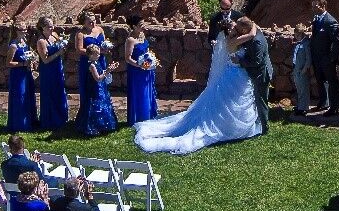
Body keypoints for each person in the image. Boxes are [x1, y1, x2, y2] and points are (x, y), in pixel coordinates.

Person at [134, 13, 264, 154]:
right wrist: (253, 25)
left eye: (235, 27)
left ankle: (231, 125)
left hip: (237, 74)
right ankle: (227, 127)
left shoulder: (234, 38)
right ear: (229, 31)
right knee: (229, 101)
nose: (235, 29)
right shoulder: (232, 41)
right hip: (235, 74)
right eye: (233, 28)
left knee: (230, 101)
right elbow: (251, 34)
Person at [75, 15, 120, 137]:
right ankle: (89, 120)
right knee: (91, 90)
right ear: (83, 22)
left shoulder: (100, 30)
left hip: (100, 61)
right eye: (89, 21)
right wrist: (95, 51)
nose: (92, 23)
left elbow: (104, 43)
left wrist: (105, 49)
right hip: (88, 62)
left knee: (102, 90)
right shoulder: (80, 34)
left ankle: (104, 119)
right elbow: (79, 49)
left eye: (94, 21)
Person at [308, 0, 339, 116]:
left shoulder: (330, 21)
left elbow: (336, 42)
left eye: (315, 6)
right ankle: (323, 102)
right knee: (320, 80)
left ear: (323, 6)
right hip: (317, 57)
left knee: (332, 82)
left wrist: (332, 57)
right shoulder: (316, 19)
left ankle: (334, 107)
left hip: (327, 58)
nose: (313, 8)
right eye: (312, 6)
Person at [36, 18, 71, 131]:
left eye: (52, 26)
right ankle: (50, 120)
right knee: (49, 93)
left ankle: (61, 117)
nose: (52, 28)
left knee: (59, 91)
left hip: (57, 68)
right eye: (49, 27)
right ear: (42, 28)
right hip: (48, 71)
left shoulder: (55, 36)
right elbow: (45, 60)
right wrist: (58, 53)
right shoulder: (41, 41)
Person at [124, 15, 159, 125]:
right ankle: (138, 117)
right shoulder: (130, 40)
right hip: (136, 71)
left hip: (147, 69)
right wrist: (140, 66)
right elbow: (128, 58)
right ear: (133, 26)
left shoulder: (142, 35)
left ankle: (148, 115)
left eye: (143, 24)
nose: (143, 26)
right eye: (140, 25)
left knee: (147, 92)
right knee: (139, 93)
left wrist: (152, 60)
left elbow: (146, 51)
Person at [7, 27, 38, 132]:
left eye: (25, 29)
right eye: (22, 30)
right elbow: (8, 63)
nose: (25, 31)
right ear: (16, 31)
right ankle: (19, 124)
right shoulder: (13, 46)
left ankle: (30, 120)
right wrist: (22, 64)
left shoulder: (25, 43)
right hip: (17, 75)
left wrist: (32, 59)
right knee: (19, 97)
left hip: (26, 73)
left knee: (28, 96)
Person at [291, 27, 314, 117]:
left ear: (302, 34)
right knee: (299, 89)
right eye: (295, 35)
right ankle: (300, 106)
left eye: (297, 35)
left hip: (302, 70)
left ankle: (304, 108)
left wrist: (304, 70)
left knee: (304, 89)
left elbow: (308, 59)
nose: (296, 36)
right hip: (296, 69)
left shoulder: (306, 44)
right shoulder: (298, 43)